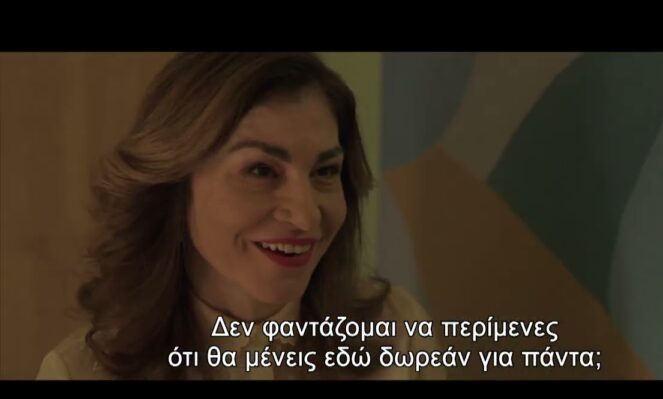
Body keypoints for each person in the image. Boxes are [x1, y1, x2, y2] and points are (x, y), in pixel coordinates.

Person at [36, 52, 445, 380]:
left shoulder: (398, 334)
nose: (306, 218)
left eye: (324, 172)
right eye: (261, 171)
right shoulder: (78, 373)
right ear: (175, 184)